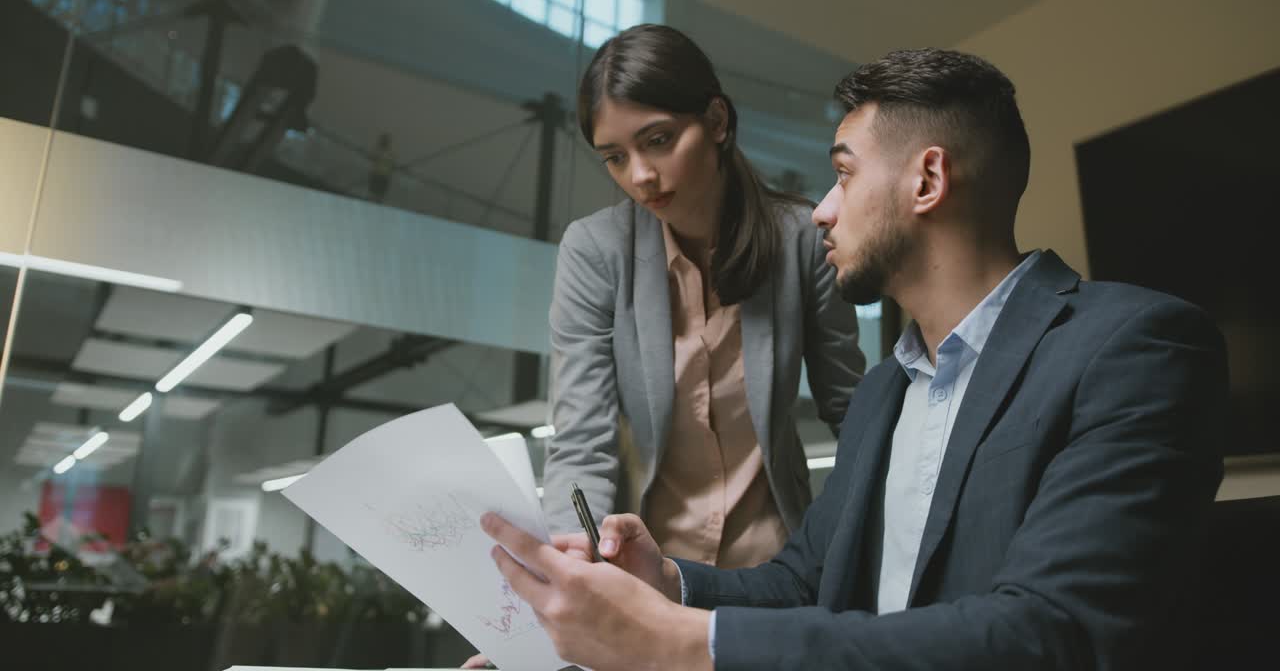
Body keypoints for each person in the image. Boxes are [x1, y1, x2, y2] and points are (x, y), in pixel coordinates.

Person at [480, 47, 1227, 671]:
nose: (823, 212)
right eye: (615, 155)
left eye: (842, 175)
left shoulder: (1134, 346)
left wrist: (680, 641)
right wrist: (668, 582)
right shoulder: (885, 393)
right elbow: (805, 580)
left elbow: (1049, 635)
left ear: (927, 180)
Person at [539, 24, 864, 567]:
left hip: (779, 568)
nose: (640, 175)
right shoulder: (594, 251)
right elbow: (581, 435)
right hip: (650, 570)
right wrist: (574, 550)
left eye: (658, 140)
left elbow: (851, 411)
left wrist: (845, 540)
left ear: (716, 120)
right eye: (614, 157)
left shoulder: (801, 238)